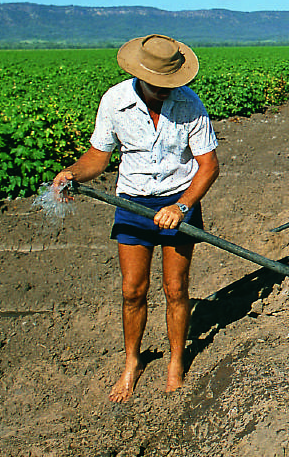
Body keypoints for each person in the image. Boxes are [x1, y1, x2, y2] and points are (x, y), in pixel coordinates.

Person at [52, 34, 219, 403]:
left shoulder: (190, 104)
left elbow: (208, 166)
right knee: (133, 291)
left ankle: (176, 361)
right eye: (158, 85)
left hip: (178, 202)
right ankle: (132, 362)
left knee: (175, 289)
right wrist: (72, 174)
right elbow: (99, 156)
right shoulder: (115, 101)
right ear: (141, 75)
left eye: (170, 85)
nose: (165, 91)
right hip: (132, 203)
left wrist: (183, 206)